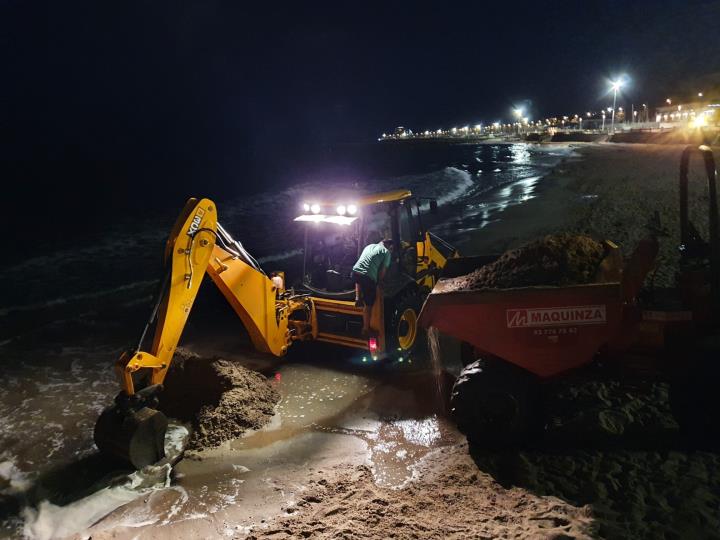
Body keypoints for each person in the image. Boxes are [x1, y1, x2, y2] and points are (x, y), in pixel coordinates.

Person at [352, 238, 393, 337]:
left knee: (359, 279)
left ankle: (357, 298)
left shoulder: (369, 246)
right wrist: (379, 282)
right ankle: (366, 329)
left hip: (355, 272)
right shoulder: (386, 252)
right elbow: (383, 271)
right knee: (369, 303)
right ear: (389, 246)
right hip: (368, 277)